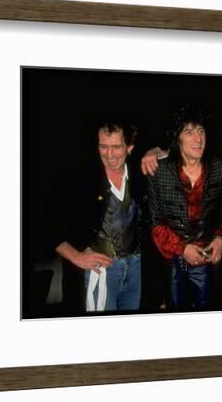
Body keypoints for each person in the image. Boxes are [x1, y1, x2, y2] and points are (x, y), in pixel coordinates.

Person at [50, 119, 145, 312]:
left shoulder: (140, 175)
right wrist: (75, 255)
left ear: (130, 147)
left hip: (136, 269)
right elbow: (45, 224)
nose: (109, 155)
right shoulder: (80, 180)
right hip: (100, 272)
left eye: (117, 147)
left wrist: (156, 152)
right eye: (103, 146)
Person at [147, 105, 222, 309]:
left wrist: (221, 237)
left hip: (208, 261)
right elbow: (154, 222)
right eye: (189, 132)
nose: (198, 138)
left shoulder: (220, 168)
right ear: (178, 138)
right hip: (172, 259)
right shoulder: (159, 172)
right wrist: (183, 248)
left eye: (201, 131)